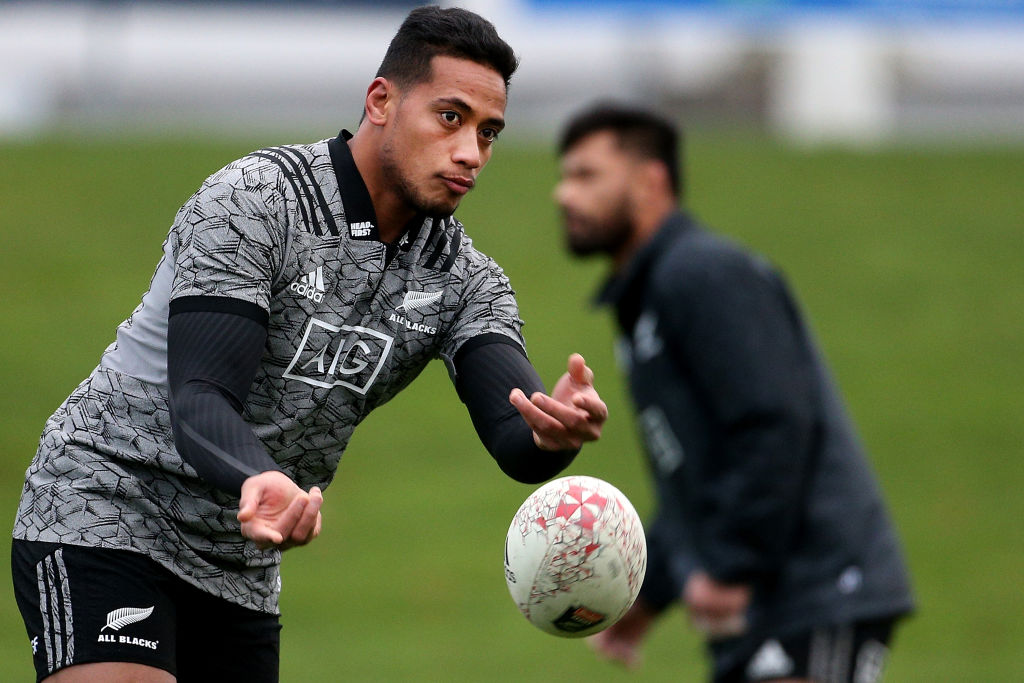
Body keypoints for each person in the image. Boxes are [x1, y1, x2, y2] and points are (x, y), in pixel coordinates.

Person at [11, 8, 609, 682]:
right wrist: (257, 475)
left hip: (239, 561)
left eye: (488, 131)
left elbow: (512, 430)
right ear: (381, 101)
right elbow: (200, 397)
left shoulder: (466, 280)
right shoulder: (255, 202)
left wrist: (551, 432)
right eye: (450, 117)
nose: (471, 152)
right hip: (108, 504)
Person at [553, 103, 913, 683]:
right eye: (565, 176)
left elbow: (775, 423)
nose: (563, 195)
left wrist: (727, 566)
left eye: (586, 175)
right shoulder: (649, 298)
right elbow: (695, 478)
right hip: (773, 604)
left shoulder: (700, 273)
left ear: (652, 181)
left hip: (812, 590)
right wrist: (651, 592)